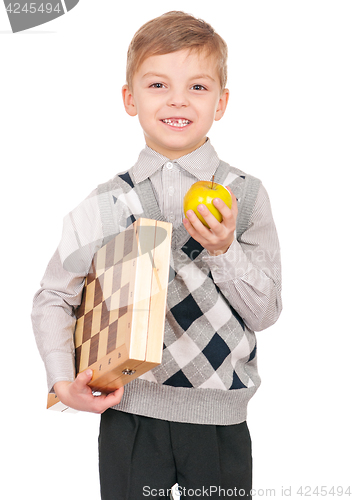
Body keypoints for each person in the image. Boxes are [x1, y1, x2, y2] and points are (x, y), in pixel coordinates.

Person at [32, 11, 282, 499]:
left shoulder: (246, 196)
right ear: (130, 98)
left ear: (221, 102)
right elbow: (53, 296)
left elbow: (266, 311)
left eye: (197, 87)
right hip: (130, 414)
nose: (177, 100)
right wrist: (62, 380)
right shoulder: (106, 202)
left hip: (219, 421)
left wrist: (223, 249)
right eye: (157, 84)